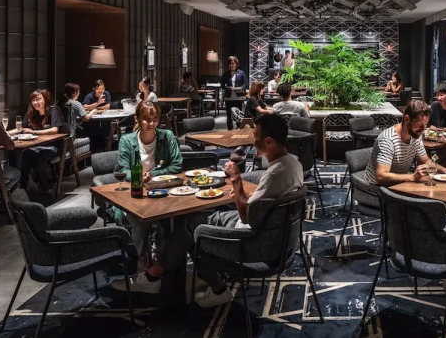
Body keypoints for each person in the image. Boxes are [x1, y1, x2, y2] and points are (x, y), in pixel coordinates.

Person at [113, 114, 302, 303]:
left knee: (193, 229)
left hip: (250, 241)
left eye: (256, 136)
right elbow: (266, 202)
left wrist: (236, 180)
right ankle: (196, 282)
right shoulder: (293, 164)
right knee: (198, 218)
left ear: (268, 141)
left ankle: (156, 276)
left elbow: (246, 217)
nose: (253, 140)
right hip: (275, 239)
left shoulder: (274, 175)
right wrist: (249, 195)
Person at [110, 100, 182, 290]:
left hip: (162, 190)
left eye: (155, 119)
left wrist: (154, 175)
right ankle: (144, 262)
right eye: (146, 119)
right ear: (137, 119)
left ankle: (159, 260)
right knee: (137, 218)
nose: (151, 123)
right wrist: (138, 176)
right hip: (135, 191)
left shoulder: (167, 136)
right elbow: (123, 168)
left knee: (165, 218)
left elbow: (177, 164)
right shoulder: (127, 141)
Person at [365, 100, 446, 186]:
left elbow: (425, 161)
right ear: (407, 119)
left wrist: (443, 169)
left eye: (425, 125)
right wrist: (412, 177)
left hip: (400, 183)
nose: (423, 130)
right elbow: (381, 176)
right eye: (419, 125)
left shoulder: (415, 136)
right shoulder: (388, 139)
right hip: (378, 187)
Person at [9, 89, 62, 192]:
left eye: (38, 99)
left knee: (37, 156)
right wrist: (8, 133)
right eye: (33, 100)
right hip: (35, 145)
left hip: (52, 145)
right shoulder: (31, 112)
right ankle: (22, 187)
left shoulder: (53, 110)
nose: (35, 103)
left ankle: (48, 184)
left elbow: (55, 130)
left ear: (45, 99)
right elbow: (22, 128)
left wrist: (34, 132)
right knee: (25, 154)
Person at [222, 56, 247, 130]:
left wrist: (240, 88)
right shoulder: (225, 74)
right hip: (228, 98)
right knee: (229, 116)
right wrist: (228, 88)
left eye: (233, 63)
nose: (231, 65)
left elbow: (245, 84)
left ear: (236, 64)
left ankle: (238, 130)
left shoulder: (241, 73)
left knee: (238, 116)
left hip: (238, 98)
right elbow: (222, 85)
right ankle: (229, 131)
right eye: (229, 64)